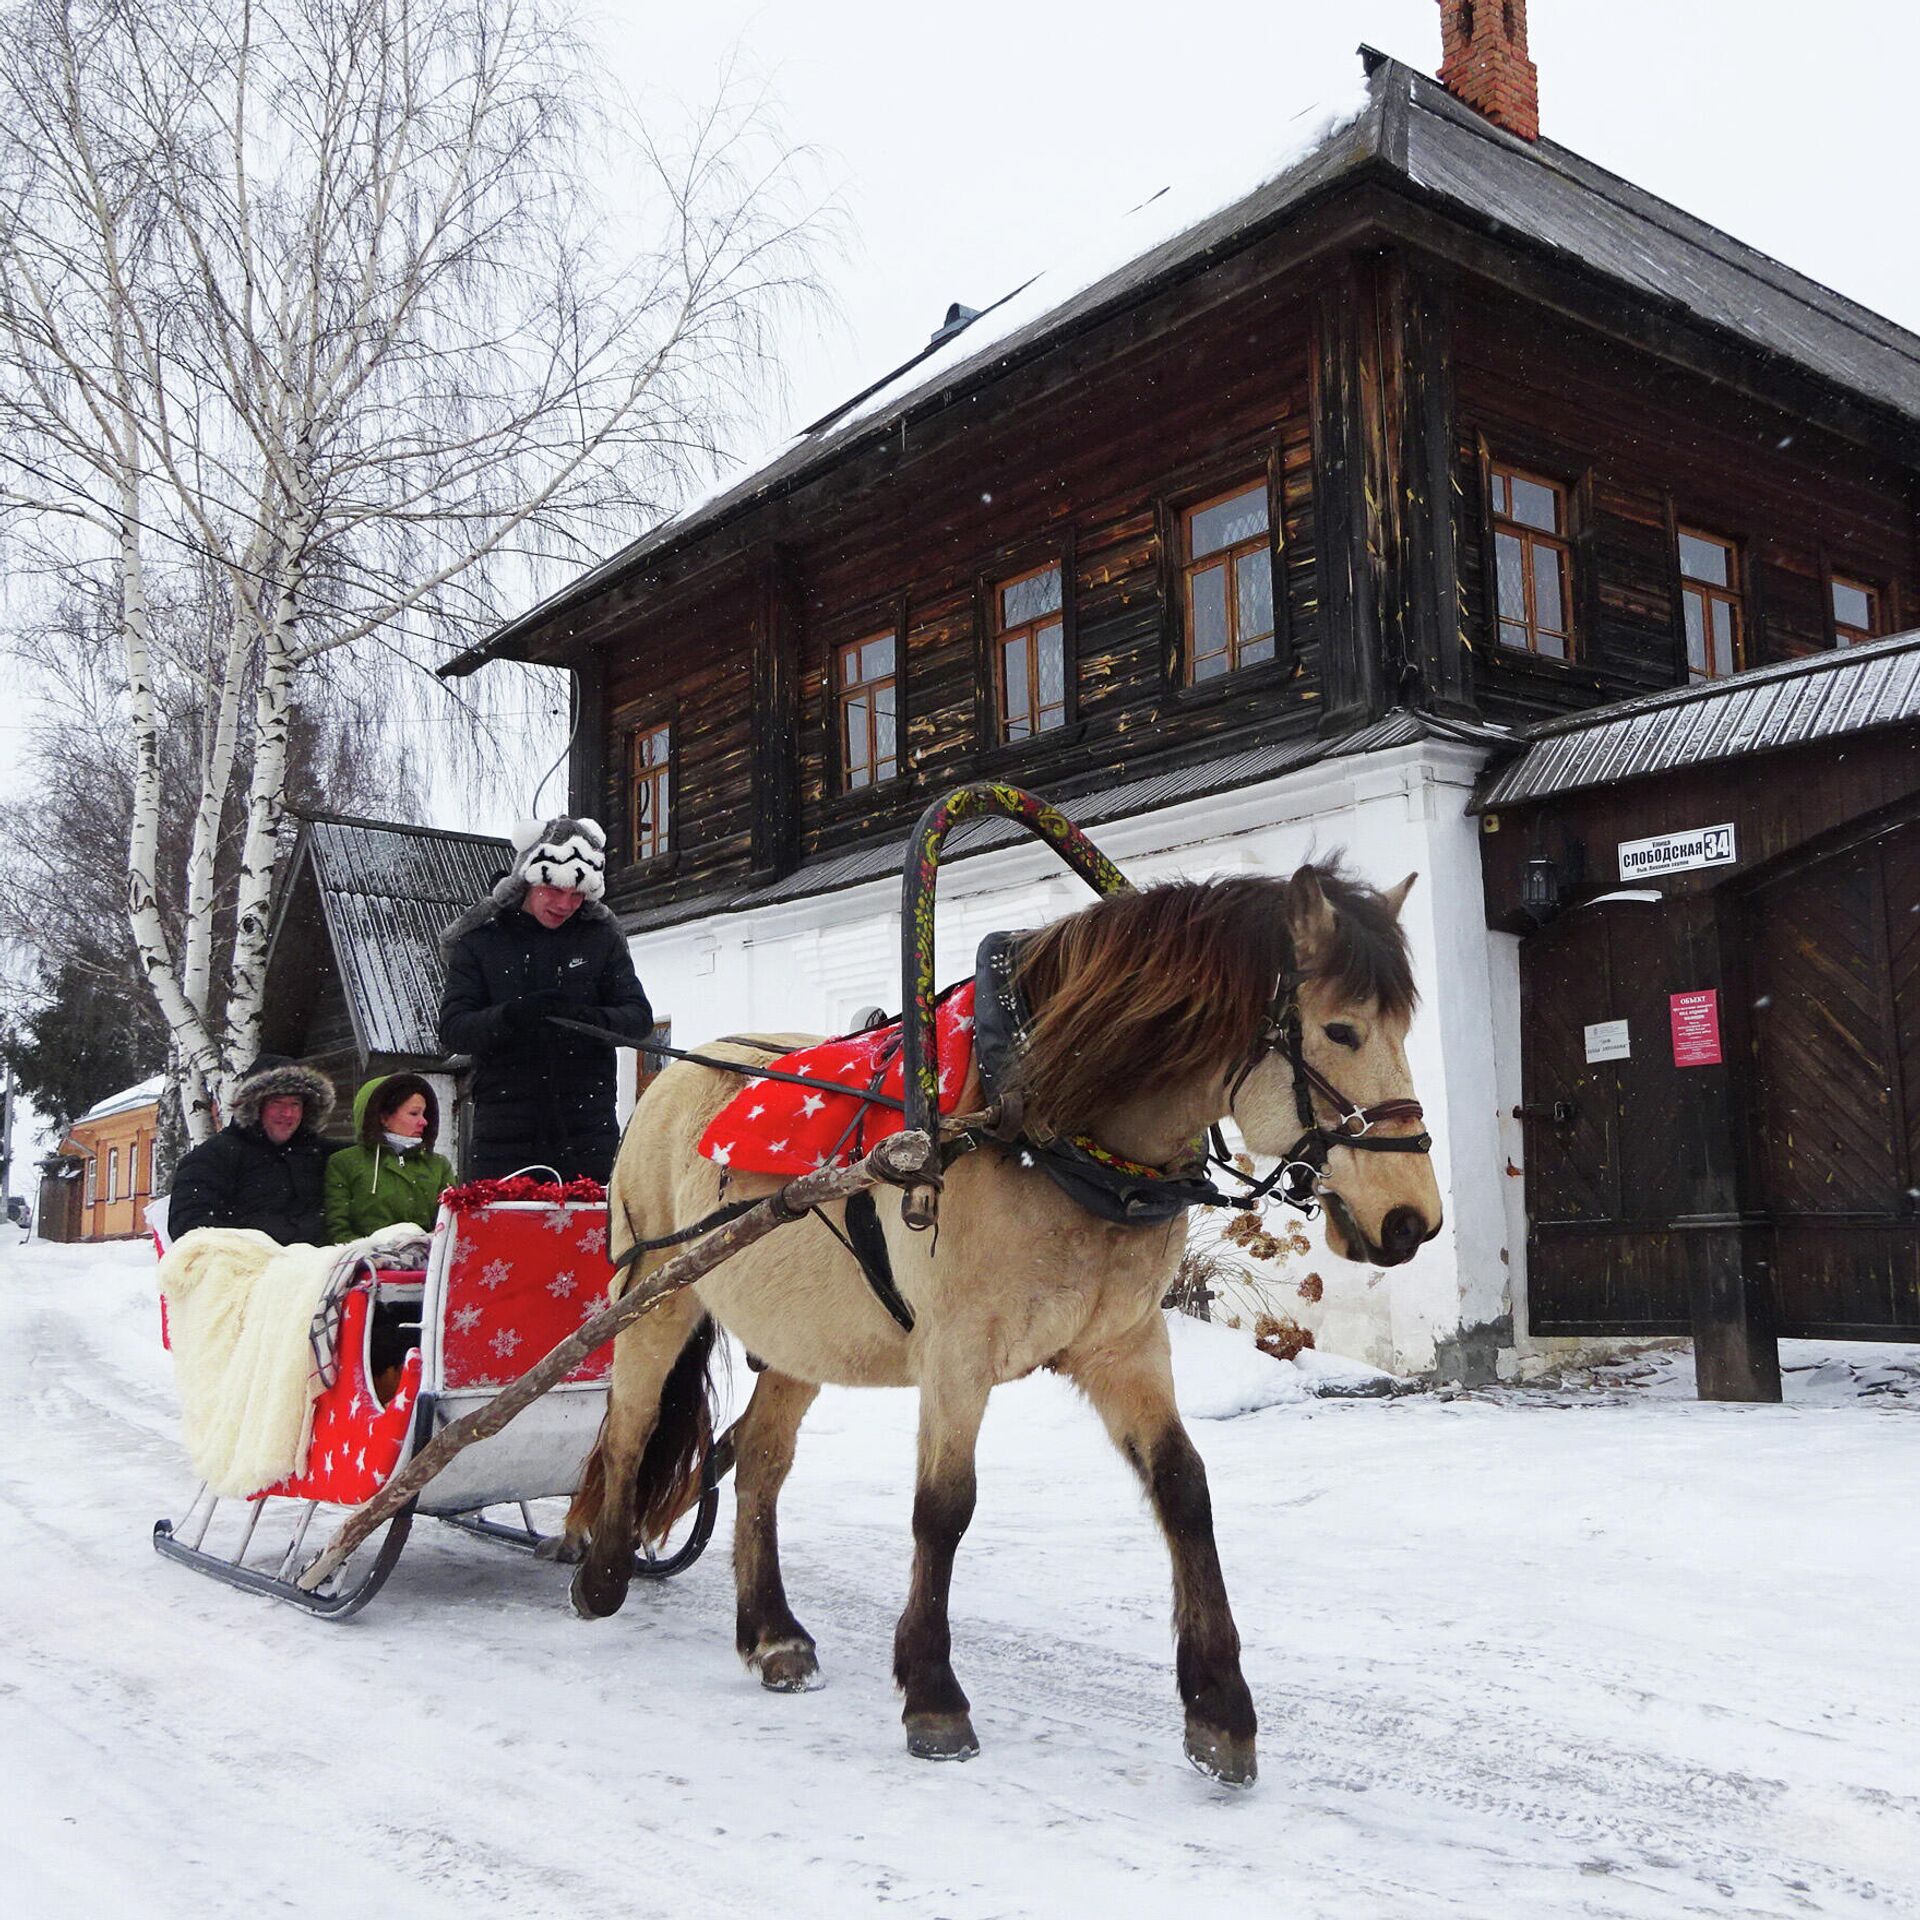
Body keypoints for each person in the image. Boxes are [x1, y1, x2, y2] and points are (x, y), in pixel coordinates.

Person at [438, 815, 655, 1182]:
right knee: (504, 1235)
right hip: (503, 1131)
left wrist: (582, 1020)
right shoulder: (481, 941)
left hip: (587, 1128)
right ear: (527, 881)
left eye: (576, 894)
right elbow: (454, 1030)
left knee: (588, 1236)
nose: (565, 904)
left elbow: (638, 1020)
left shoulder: (601, 938)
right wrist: (512, 1017)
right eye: (554, 891)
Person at [168, 1055, 334, 1245]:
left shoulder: (321, 1154)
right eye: (276, 1102)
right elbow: (190, 1228)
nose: (288, 1113)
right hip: (246, 1268)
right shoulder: (214, 1157)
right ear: (254, 1105)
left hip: (321, 1267)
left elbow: (370, 1156)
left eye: (295, 1104)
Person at [324, 1073, 455, 1242]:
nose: (424, 1122)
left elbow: (449, 1224)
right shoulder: (344, 1163)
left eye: (424, 1114)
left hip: (425, 1262)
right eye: (414, 1113)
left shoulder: (438, 1165)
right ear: (383, 1118)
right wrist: (370, 1256)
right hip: (365, 1263)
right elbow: (337, 1228)